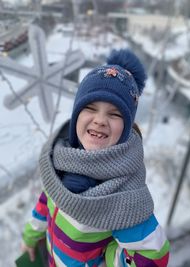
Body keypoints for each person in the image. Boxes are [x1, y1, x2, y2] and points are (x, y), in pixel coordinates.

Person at [22, 49, 170, 266]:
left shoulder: (123, 196)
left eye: (115, 113)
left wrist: (108, 259)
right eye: (90, 107)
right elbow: (45, 202)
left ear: (127, 126)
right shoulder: (60, 161)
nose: (100, 120)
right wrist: (30, 237)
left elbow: (154, 257)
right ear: (76, 115)